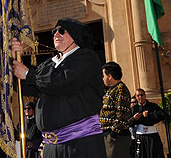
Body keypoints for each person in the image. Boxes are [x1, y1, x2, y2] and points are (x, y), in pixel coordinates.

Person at [12, 18, 106, 158]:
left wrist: (28, 74)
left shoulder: (86, 57)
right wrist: (15, 60)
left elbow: (62, 82)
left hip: (79, 144)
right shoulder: (48, 64)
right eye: (54, 31)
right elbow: (29, 88)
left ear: (75, 35)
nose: (56, 34)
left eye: (61, 30)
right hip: (50, 147)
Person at [100, 61, 132, 158]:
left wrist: (113, 133)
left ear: (109, 76)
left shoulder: (120, 90)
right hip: (110, 136)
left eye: (103, 75)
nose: (102, 78)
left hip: (117, 137)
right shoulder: (111, 89)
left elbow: (122, 113)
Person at [129, 89, 165, 158]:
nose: (140, 97)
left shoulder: (153, 106)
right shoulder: (133, 109)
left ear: (145, 95)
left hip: (153, 135)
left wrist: (150, 114)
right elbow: (128, 123)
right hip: (140, 136)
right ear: (136, 97)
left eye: (142, 95)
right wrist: (134, 119)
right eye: (138, 95)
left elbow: (162, 115)